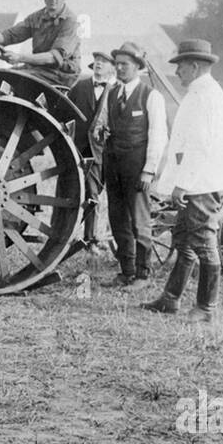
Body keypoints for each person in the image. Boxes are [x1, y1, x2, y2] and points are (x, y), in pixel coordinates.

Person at [141, 39, 223, 321]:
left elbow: (200, 145)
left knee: (203, 241)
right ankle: (171, 298)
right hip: (196, 180)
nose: (177, 72)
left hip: (203, 183)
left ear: (195, 66)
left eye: (180, 66)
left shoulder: (206, 96)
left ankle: (207, 307)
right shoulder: (199, 92)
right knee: (185, 239)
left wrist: (184, 183)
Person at [89, 43, 167, 287]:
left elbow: (158, 135)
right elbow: (100, 123)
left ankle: (143, 274)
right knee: (118, 217)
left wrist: (149, 170)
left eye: (125, 64)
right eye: (118, 64)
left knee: (139, 219)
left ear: (137, 67)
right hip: (113, 163)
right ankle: (127, 270)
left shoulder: (150, 96)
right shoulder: (111, 93)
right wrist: (100, 132)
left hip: (137, 165)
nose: (120, 68)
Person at [0, 0, 82, 88]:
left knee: (12, 79)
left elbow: (53, 57)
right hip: (38, 69)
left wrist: (20, 58)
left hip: (61, 74)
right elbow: (9, 36)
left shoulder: (70, 21)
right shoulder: (36, 18)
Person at [68, 51, 117, 249]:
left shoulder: (114, 91)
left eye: (103, 62)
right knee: (74, 191)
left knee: (94, 194)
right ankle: (74, 236)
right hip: (78, 147)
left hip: (102, 150)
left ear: (112, 68)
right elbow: (65, 111)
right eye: (96, 61)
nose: (98, 64)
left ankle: (91, 238)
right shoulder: (80, 86)